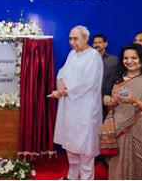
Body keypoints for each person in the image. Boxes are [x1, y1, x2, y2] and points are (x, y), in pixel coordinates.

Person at [99, 43, 142, 179]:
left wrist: (135, 101)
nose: (129, 61)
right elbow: (105, 97)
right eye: (126, 58)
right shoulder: (117, 77)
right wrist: (111, 101)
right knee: (117, 165)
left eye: (134, 58)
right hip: (119, 130)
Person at [48, 25, 103, 180]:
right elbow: (62, 72)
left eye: (75, 38)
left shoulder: (93, 55)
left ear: (85, 38)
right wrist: (59, 82)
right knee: (70, 143)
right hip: (69, 107)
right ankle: (72, 176)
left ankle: (86, 177)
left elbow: (88, 82)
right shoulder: (72, 54)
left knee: (86, 148)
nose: (72, 42)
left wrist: (63, 91)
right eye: (70, 38)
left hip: (85, 108)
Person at [92, 33, 118, 169]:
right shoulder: (88, 60)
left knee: (106, 130)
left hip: (107, 101)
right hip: (90, 102)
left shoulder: (114, 61)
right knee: (93, 129)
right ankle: (94, 155)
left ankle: (105, 155)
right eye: (94, 42)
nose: (97, 45)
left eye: (99, 42)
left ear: (105, 44)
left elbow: (120, 79)